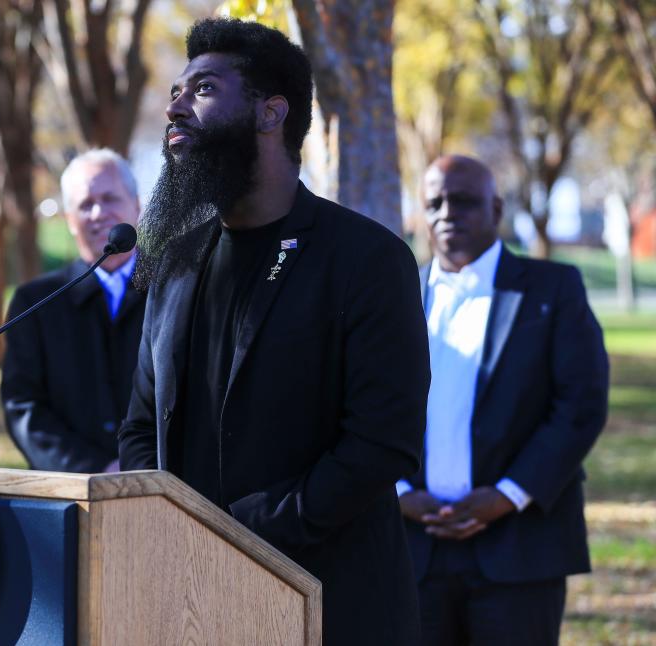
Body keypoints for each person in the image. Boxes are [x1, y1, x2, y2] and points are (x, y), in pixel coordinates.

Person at [118, 18, 430, 645]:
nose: (176, 106)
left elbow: (382, 443)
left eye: (202, 89)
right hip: (188, 602)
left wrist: (240, 532)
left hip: (330, 601)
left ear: (270, 113)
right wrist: (180, 534)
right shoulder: (176, 259)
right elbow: (139, 429)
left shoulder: (366, 259)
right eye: (177, 91)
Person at [397, 155, 609, 646]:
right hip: (412, 550)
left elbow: (581, 405)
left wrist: (508, 494)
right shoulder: (396, 293)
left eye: (465, 201)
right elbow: (360, 402)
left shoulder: (554, 290)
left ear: (496, 209)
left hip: (520, 548)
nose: (448, 213)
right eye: (435, 203)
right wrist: (401, 494)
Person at [0, 149, 145, 473]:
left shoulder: (177, 288)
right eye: (84, 204)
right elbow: (23, 407)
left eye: (110, 198)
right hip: (71, 492)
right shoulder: (35, 302)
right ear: (68, 219)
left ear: (136, 205)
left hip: (167, 489)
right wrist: (93, 468)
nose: (98, 213)